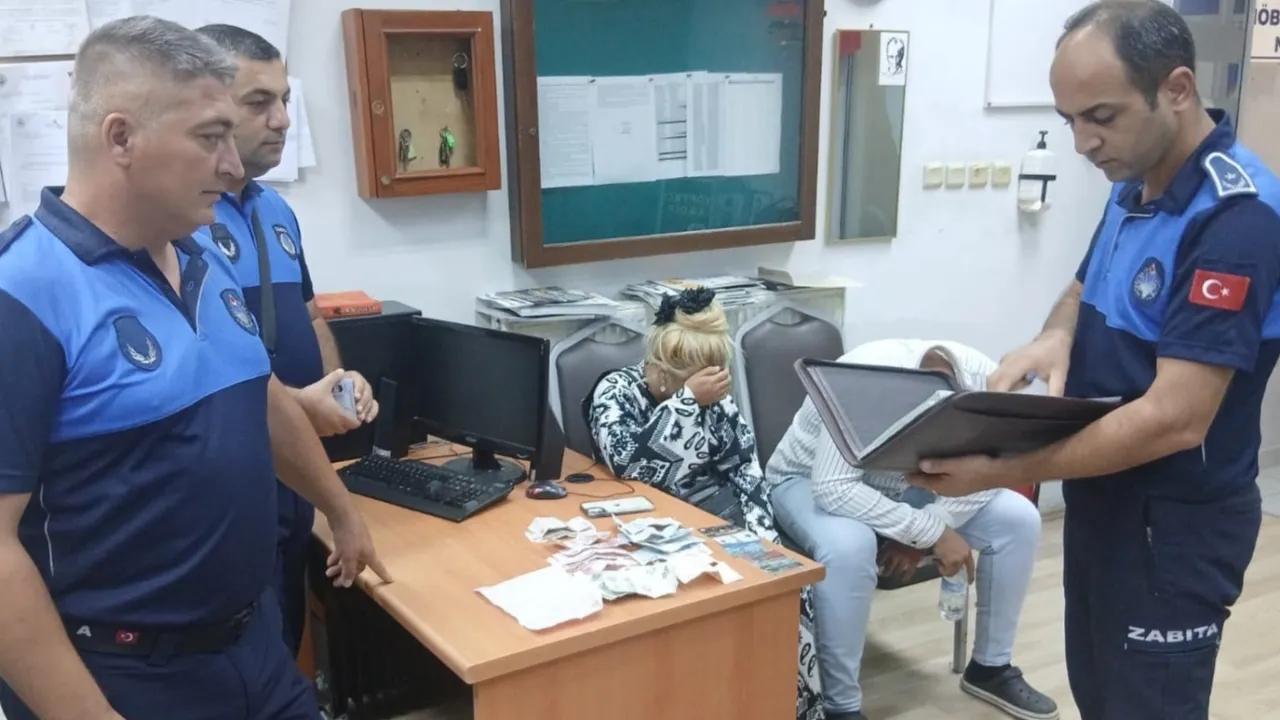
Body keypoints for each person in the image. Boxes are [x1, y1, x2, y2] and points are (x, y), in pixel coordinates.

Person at [0, 16, 390, 720]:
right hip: (123, 677)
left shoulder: (201, 257)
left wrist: (340, 509)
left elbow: (260, 399)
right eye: (210, 138)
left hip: (254, 649)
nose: (234, 166)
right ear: (121, 138)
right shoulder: (22, 294)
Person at [908, 3, 1280, 718]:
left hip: (1174, 526)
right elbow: (1083, 291)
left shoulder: (1234, 219)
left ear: (1176, 88)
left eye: (1101, 116)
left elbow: (1175, 419)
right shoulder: (1134, 182)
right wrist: (1054, 337)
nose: (1082, 142)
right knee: (1101, 696)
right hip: (1103, 504)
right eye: (1070, 119)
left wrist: (1005, 471)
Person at [193, 23, 378, 661]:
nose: (281, 120)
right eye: (259, 102)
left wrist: (338, 385)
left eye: (285, 100)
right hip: (238, 483)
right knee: (255, 652)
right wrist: (300, 406)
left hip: (298, 476)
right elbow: (216, 370)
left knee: (289, 636)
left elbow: (309, 315)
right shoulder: (180, 221)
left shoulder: (274, 208)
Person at [766, 339, 1057, 720]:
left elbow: (990, 471)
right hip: (804, 480)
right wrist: (929, 533)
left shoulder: (985, 379)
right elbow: (833, 488)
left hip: (908, 487)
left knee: (1018, 518)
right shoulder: (863, 379)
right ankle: (840, 707)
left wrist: (925, 530)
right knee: (851, 546)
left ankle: (990, 668)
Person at [584, 286, 823, 720]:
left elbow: (745, 468)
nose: (713, 390)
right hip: (646, 521)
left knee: (787, 585)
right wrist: (686, 403)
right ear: (661, 373)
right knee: (691, 604)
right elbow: (627, 463)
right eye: (694, 382)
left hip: (716, 518)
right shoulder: (616, 391)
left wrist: (763, 539)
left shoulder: (712, 397)